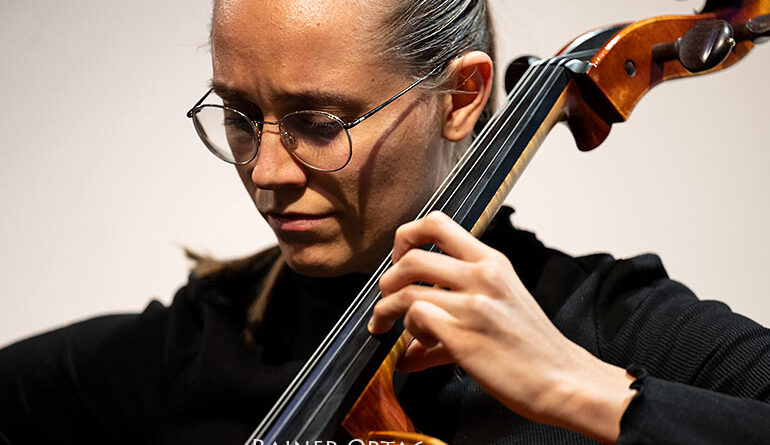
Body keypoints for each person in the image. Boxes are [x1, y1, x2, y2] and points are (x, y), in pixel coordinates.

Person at [1, 0, 769, 444]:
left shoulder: (606, 326)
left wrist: (585, 388)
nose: (266, 172)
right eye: (240, 115)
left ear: (463, 97)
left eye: (319, 121)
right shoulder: (206, 340)